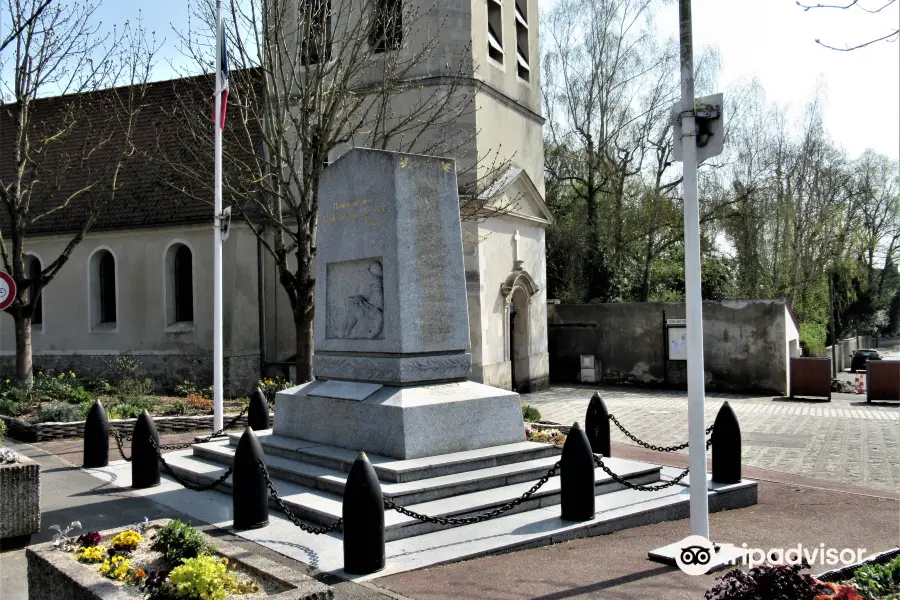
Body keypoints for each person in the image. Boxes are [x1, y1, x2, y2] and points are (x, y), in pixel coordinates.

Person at [343, 261, 384, 339]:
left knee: (353, 308)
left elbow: (377, 307)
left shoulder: (377, 285)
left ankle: (347, 333)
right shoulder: (375, 285)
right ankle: (346, 333)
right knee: (353, 307)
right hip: (370, 314)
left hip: (373, 319)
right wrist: (361, 301)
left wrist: (362, 302)